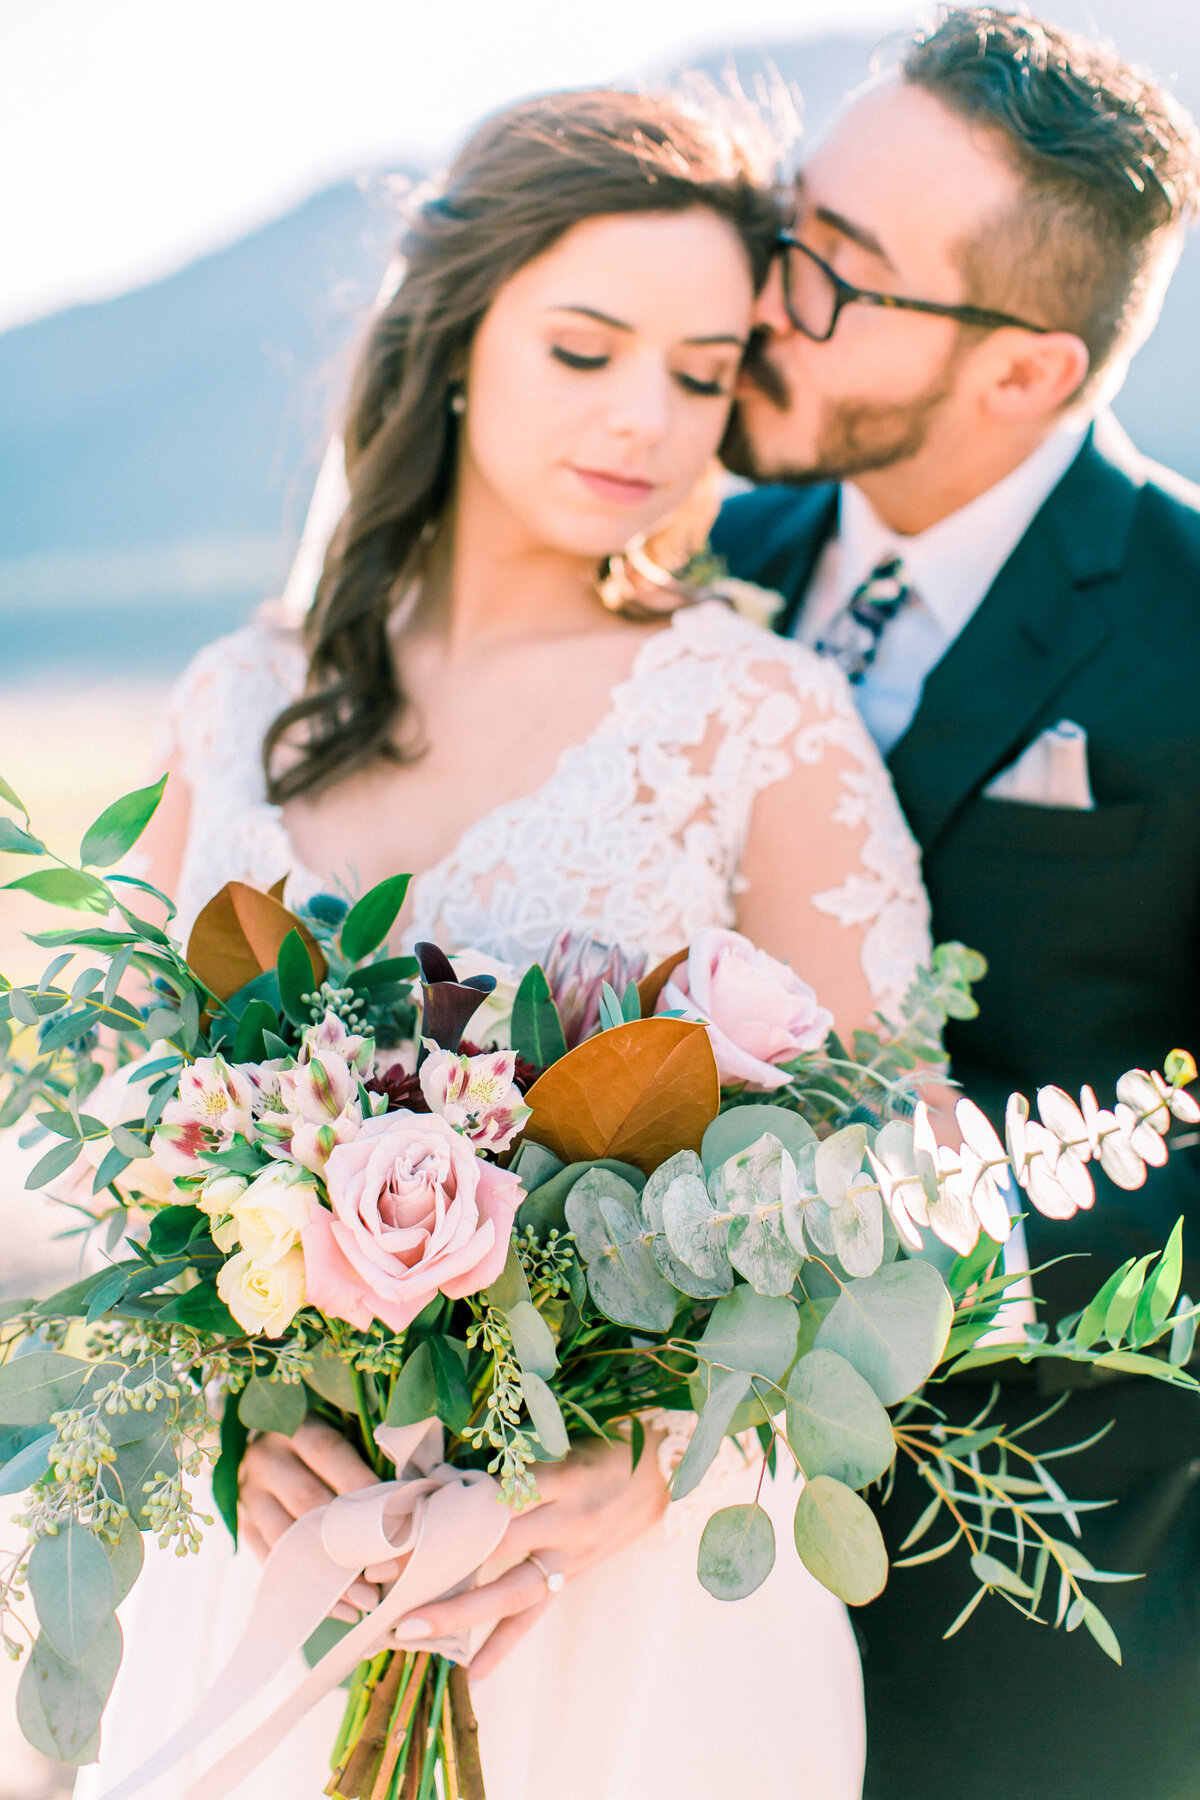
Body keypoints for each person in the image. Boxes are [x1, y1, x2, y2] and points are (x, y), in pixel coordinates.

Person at [75, 89, 933, 1800]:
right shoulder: (244, 702)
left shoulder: (756, 720)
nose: (646, 417)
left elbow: (899, 1197)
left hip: (618, 1612)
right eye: (588, 349)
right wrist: (238, 1416)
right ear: (458, 337)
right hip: (266, 1573)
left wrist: (663, 1454)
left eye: (700, 375)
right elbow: (110, 1133)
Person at [711, 10, 1200, 1798]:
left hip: (1037, 1637)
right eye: (790, 226)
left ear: (1022, 372)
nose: (765, 300)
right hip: (665, 1576)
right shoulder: (702, 559)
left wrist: (946, 1226)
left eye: (839, 277)